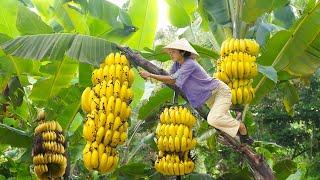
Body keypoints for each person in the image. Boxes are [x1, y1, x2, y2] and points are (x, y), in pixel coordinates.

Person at [139, 38, 252, 144]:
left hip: (219, 92)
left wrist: (150, 75)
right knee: (223, 125)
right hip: (209, 97)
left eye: (173, 52)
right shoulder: (177, 65)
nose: (170, 54)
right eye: (170, 52)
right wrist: (150, 77)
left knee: (213, 119)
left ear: (182, 52)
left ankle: (241, 127)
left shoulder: (189, 64)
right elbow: (168, 77)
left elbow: (172, 79)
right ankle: (245, 139)